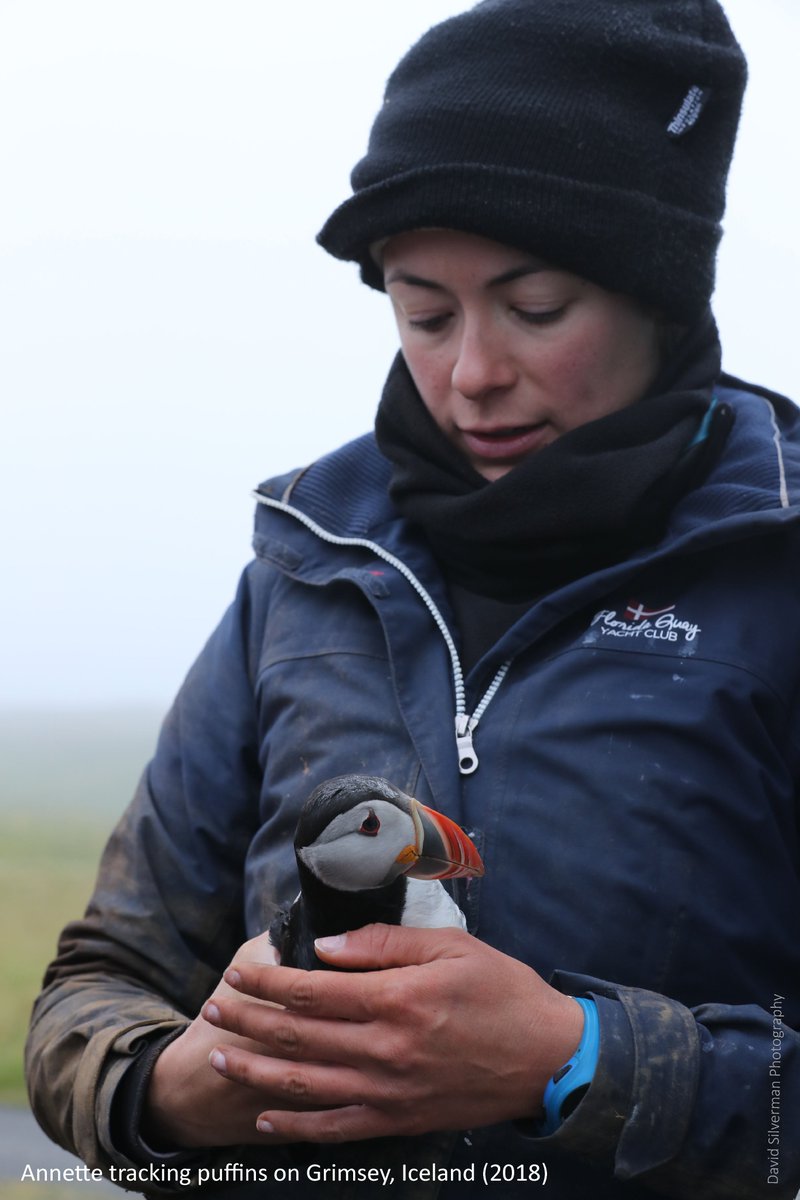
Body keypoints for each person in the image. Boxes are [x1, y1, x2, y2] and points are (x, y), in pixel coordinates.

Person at [26, 1, 800, 1197]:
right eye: (422, 310)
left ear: (658, 291)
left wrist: (576, 1062)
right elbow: (96, 989)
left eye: (534, 309)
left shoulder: (774, 567)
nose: (470, 373)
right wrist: (182, 1086)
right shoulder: (303, 572)